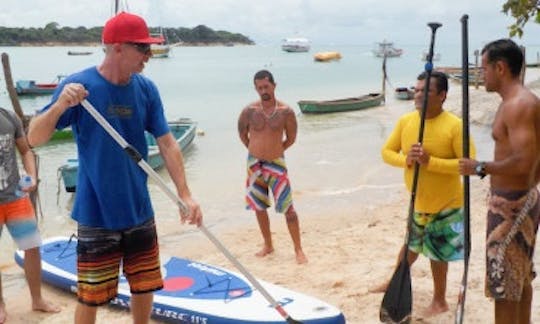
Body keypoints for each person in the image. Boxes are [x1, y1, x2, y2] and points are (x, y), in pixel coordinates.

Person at [27, 12, 202, 324]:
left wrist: (185, 195)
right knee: (91, 296)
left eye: (150, 48)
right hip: (97, 213)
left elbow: (167, 143)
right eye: (142, 48)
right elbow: (34, 137)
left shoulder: (146, 89)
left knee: (145, 285)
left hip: (139, 209)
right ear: (118, 47)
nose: (149, 56)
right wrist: (59, 106)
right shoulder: (78, 86)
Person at [370, 71, 476, 317]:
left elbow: (468, 164)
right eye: (416, 90)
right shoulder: (407, 122)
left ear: (442, 95)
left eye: (425, 91)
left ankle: (440, 300)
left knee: (437, 252)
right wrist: (406, 159)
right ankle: (394, 282)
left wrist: (430, 161)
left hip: (447, 203)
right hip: (418, 200)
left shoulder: (455, 126)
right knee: (410, 245)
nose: (418, 95)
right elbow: (386, 152)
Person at [459, 39, 540, 324]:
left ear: (501, 67)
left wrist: (479, 166)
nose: (482, 75)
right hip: (521, 198)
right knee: (519, 277)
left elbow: (525, 161)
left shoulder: (517, 105)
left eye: (484, 68)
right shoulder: (518, 102)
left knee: (504, 286)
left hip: (512, 204)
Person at [237, 70, 308, 264]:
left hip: (276, 164)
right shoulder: (249, 111)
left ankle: (298, 249)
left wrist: (275, 150)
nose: (263, 91)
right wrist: (255, 150)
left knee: (288, 208)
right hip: (254, 164)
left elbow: (291, 138)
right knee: (259, 207)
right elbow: (242, 134)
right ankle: (268, 244)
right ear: (255, 88)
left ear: (274, 85)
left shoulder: (286, 111)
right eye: (259, 88)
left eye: (266, 86)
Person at [0, 108, 60, 323]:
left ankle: (37, 299)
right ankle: (0, 305)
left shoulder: (8, 116)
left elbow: (25, 151)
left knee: (32, 249)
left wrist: (32, 177)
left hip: (16, 198)